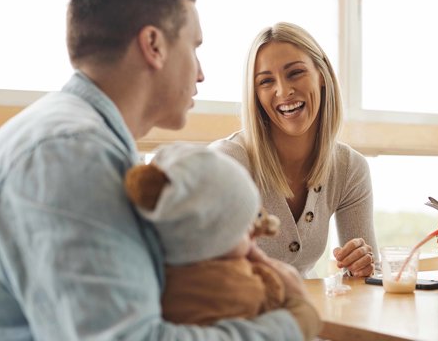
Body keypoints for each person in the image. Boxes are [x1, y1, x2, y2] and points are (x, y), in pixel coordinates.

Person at [0, 0, 316, 340]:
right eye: (194, 47)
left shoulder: (73, 137)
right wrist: (291, 324)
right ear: (154, 45)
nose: (201, 72)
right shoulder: (73, 156)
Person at [210, 22, 377, 278]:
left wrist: (361, 265)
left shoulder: (349, 168)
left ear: (321, 75)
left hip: (299, 311)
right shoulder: (227, 163)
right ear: (255, 94)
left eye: (295, 73)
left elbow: (368, 279)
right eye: (266, 81)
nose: (284, 91)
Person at [124, 143, 320, 341]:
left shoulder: (165, 275)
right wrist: (293, 300)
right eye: (245, 229)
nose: (254, 236)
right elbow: (270, 301)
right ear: (215, 239)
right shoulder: (231, 285)